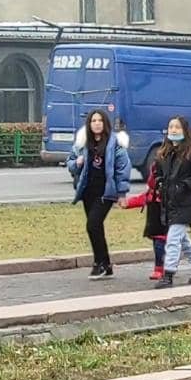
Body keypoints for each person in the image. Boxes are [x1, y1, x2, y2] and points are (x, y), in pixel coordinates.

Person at [66, 109, 130, 280]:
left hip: (106, 192)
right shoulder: (83, 142)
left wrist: (122, 194)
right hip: (88, 191)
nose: (97, 124)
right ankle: (105, 264)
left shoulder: (114, 143)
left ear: (105, 123)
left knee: (92, 225)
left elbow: (123, 169)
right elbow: (70, 162)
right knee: (96, 227)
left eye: (100, 120)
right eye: (93, 121)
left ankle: (99, 263)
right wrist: (77, 163)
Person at [153, 116, 191, 289]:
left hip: (185, 203)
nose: (173, 130)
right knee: (182, 238)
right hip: (169, 202)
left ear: (185, 130)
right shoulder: (164, 153)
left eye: (177, 127)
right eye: (171, 127)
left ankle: (168, 274)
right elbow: (158, 172)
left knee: (173, 238)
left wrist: (183, 186)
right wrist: (159, 182)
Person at [121, 160, 168, 280]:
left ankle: (162, 268)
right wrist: (128, 203)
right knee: (159, 243)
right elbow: (144, 198)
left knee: (164, 243)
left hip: (166, 220)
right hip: (155, 222)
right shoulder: (152, 192)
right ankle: (161, 268)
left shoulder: (168, 191)